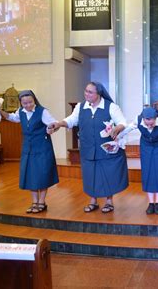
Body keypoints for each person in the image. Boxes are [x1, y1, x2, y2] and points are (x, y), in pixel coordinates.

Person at [49, 82, 128, 214]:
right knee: (91, 175)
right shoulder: (80, 107)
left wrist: (117, 128)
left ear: (99, 94)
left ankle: (109, 202)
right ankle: (93, 201)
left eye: (90, 92)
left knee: (106, 175)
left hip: (105, 149)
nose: (87, 94)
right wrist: (58, 124)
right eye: (86, 91)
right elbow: (71, 120)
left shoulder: (111, 107)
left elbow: (122, 122)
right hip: (88, 148)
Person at [0, 90, 59, 214]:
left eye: (30, 102)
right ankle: (34, 202)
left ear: (34, 100)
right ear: (21, 103)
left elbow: (55, 124)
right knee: (31, 175)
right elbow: (11, 117)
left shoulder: (42, 111)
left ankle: (42, 202)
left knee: (42, 174)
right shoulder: (21, 112)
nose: (28, 105)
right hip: (28, 148)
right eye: (24, 103)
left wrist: (52, 128)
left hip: (42, 148)